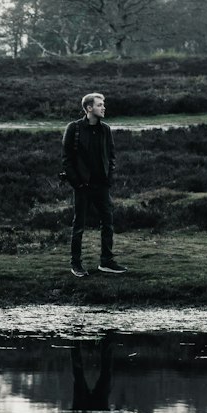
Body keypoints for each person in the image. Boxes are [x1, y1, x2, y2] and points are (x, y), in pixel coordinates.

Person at [61, 91, 127, 277]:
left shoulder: (105, 129)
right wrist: (78, 184)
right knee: (79, 225)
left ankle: (106, 262)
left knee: (108, 223)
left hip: (102, 185)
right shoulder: (74, 128)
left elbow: (111, 156)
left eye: (103, 104)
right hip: (83, 186)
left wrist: (109, 178)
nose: (103, 107)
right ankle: (76, 264)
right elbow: (66, 160)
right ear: (89, 108)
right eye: (99, 104)